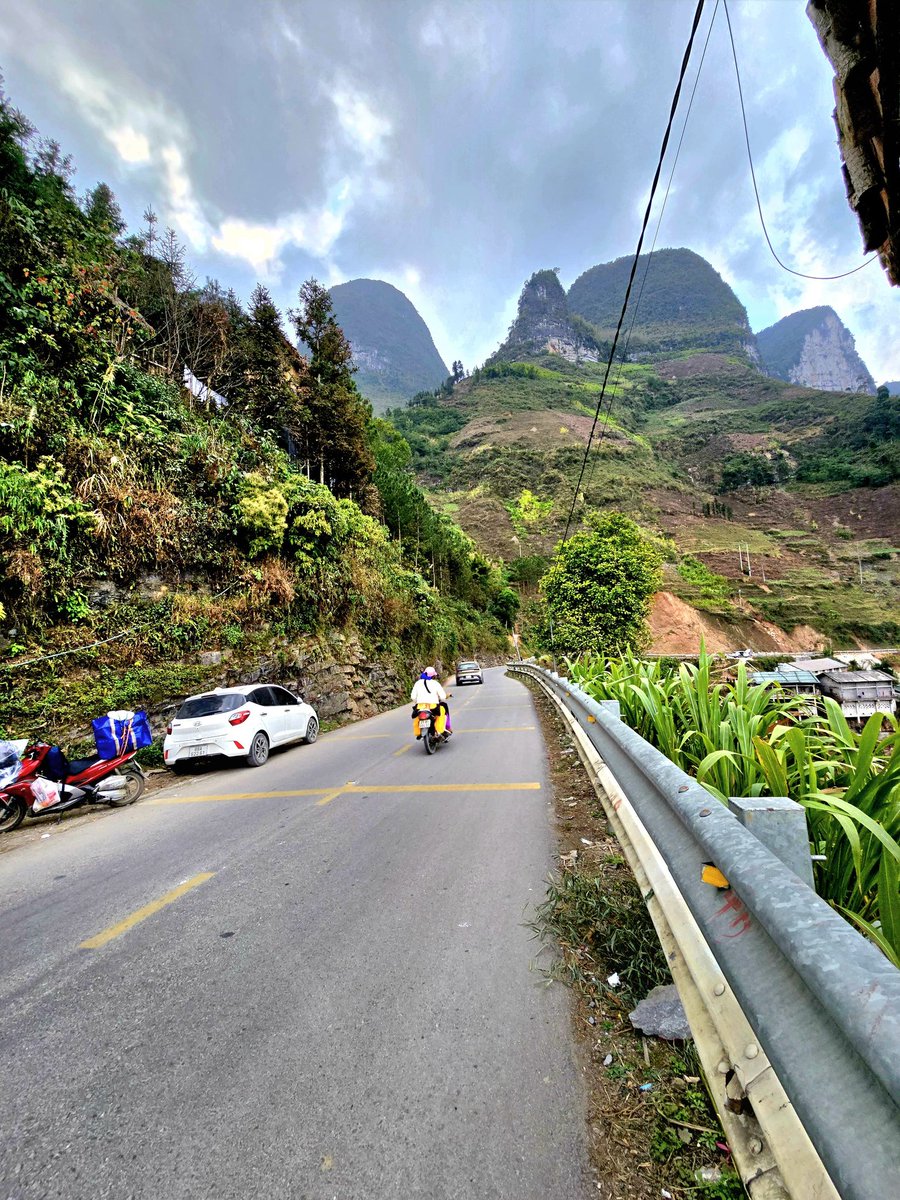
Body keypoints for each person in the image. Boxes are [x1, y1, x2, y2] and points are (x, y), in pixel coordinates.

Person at [410, 667, 451, 738]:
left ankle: (419, 732)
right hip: (433, 706)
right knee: (442, 712)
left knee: (417, 717)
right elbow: (442, 697)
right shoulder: (435, 683)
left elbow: (413, 697)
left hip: (420, 707)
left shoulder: (417, 683)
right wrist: (442, 698)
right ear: (433, 676)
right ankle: (440, 730)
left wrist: (418, 702)